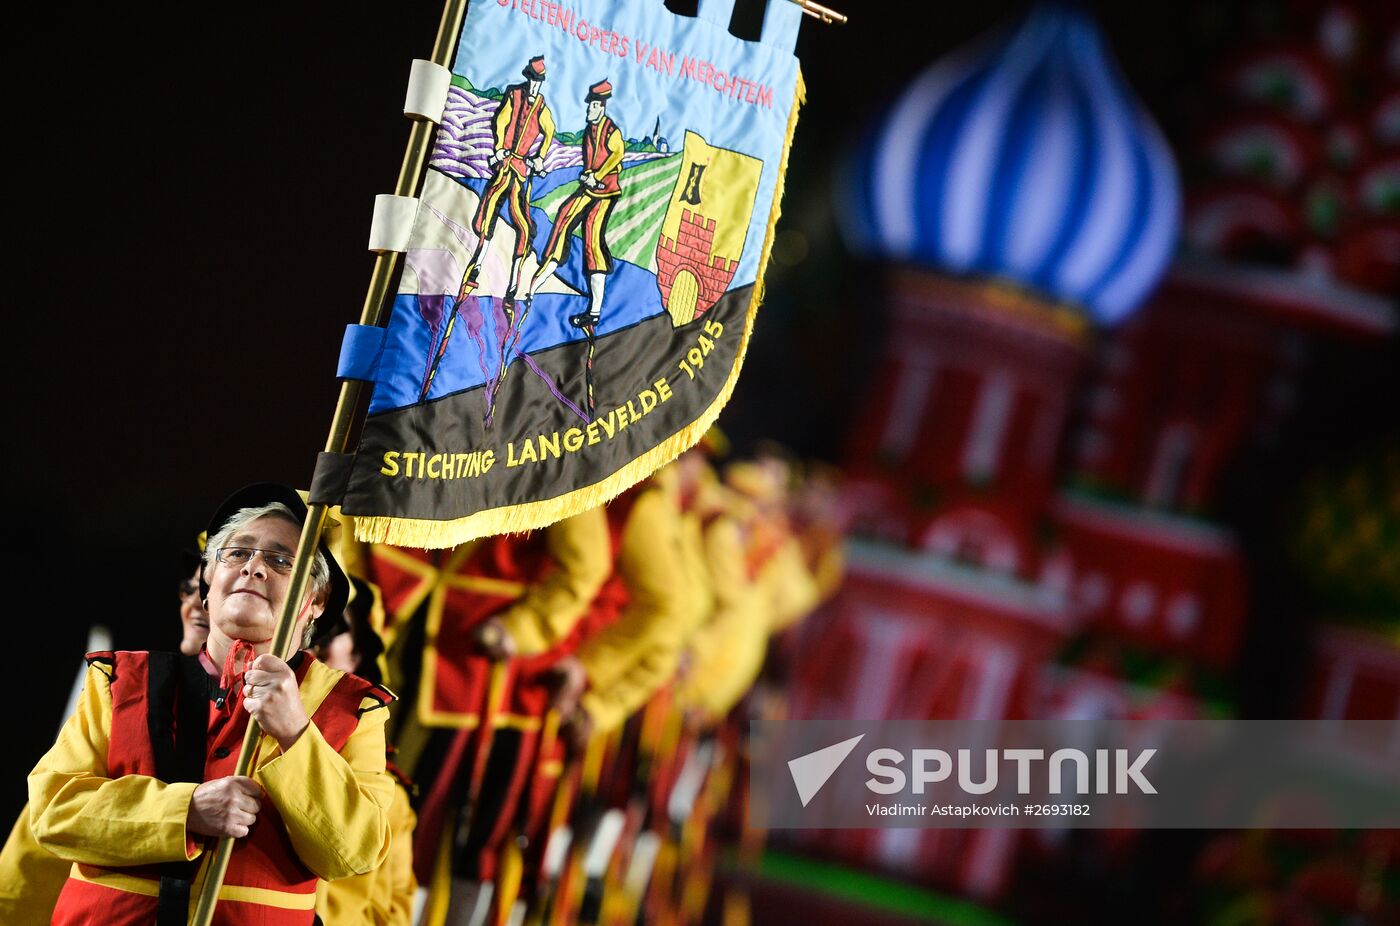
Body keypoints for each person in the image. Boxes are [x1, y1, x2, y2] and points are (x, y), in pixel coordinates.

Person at [28, 484, 396, 925]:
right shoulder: (119, 681)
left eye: (281, 560)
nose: (254, 567)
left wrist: (296, 732)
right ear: (207, 583)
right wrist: (186, 810)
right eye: (237, 554)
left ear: (315, 602)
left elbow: (355, 854)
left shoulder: (354, 709)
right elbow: (52, 810)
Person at [0, 545, 215, 925]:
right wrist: (188, 810)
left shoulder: (317, 715)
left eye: (212, 588)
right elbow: (38, 847)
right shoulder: (123, 691)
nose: (197, 602)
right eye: (190, 588)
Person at [527, 79, 626, 330]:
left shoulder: (610, 130)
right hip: (589, 187)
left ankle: (594, 310)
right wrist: (587, 174)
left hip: (605, 192)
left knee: (593, 236)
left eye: (593, 106)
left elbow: (618, 154)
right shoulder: (589, 131)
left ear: (601, 107)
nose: (588, 110)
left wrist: (598, 175)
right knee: (564, 215)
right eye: (589, 106)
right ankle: (545, 270)